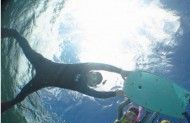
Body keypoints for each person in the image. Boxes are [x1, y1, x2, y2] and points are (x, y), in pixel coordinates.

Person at [1, 28, 130, 113]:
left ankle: (4, 106)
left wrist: (115, 94)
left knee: (19, 98)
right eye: (95, 74)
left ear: (93, 85)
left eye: (95, 80)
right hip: (43, 64)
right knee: (18, 37)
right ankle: (7, 33)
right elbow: (103, 66)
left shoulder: (82, 87)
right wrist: (120, 71)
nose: (93, 77)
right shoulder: (83, 67)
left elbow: (99, 95)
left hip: (42, 81)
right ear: (92, 71)